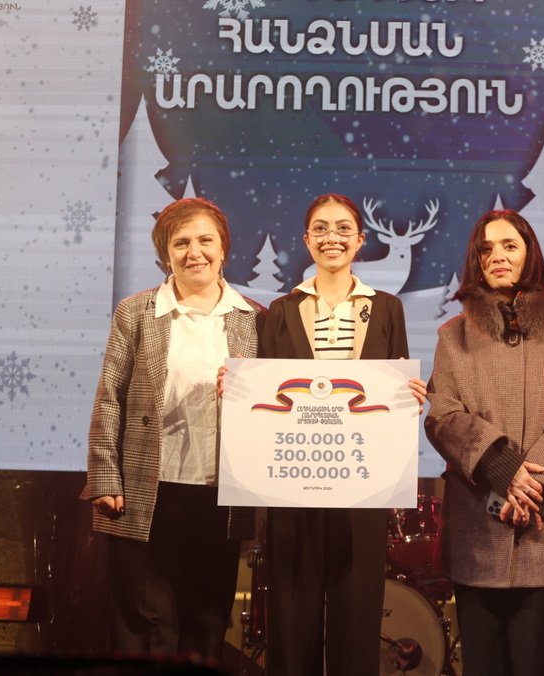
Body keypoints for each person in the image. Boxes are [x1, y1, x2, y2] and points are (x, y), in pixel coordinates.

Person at [81, 197, 265, 658]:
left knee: (207, 620)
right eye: (181, 243)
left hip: (220, 493)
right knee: (144, 623)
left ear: (224, 249)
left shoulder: (256, 318)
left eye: (205, 240)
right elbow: (109, 397)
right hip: (145, 489)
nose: (194, 252)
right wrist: (105, 477)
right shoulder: (136, 311)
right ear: (165, 253)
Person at [258, 193, 426, 676]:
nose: (332, 237)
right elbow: (266, 393)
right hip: (293, 483)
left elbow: (393, 389)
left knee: (357, 616)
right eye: (321, 228)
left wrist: (408, 395)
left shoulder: (387, 308)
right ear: (306, 239)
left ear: (360, 239)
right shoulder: (281, 310)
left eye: (343, 228)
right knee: (292, 618)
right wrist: (241, 388)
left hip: (362, 484)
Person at [424, 209, 544, 676]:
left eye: (509, 246)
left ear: (529, 254)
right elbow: (442, 416)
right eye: (486, 249)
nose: (497, 256)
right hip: (476, 532)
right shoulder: (452, 337)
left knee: (535, 662)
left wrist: (532, 490)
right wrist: (505, 473)